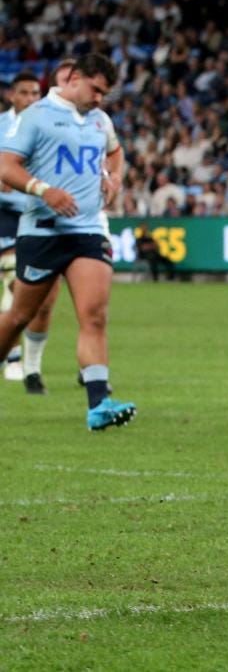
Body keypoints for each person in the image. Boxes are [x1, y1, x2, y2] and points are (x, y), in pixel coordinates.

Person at [0, 53, 136, 429]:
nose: (99, 99)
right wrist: (43, 190)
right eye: (96, 89)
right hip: (43, 231)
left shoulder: (100, 119)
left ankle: (98, 405)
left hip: (87, 230)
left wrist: (114, 178)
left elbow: (116, 152)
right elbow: (6, 166)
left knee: (94, 315)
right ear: (75, 79)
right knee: (20, 317)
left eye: (105, 93)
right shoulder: (36, 116)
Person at [0, 73, 42, 387]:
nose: (30, 99)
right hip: (3, 212)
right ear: (12, 96)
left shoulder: (45, 127)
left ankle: (18, 358)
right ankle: (14, 359)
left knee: (20, 287)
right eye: (24, 93)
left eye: (35, 93)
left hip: (31, 212)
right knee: (12, 282)